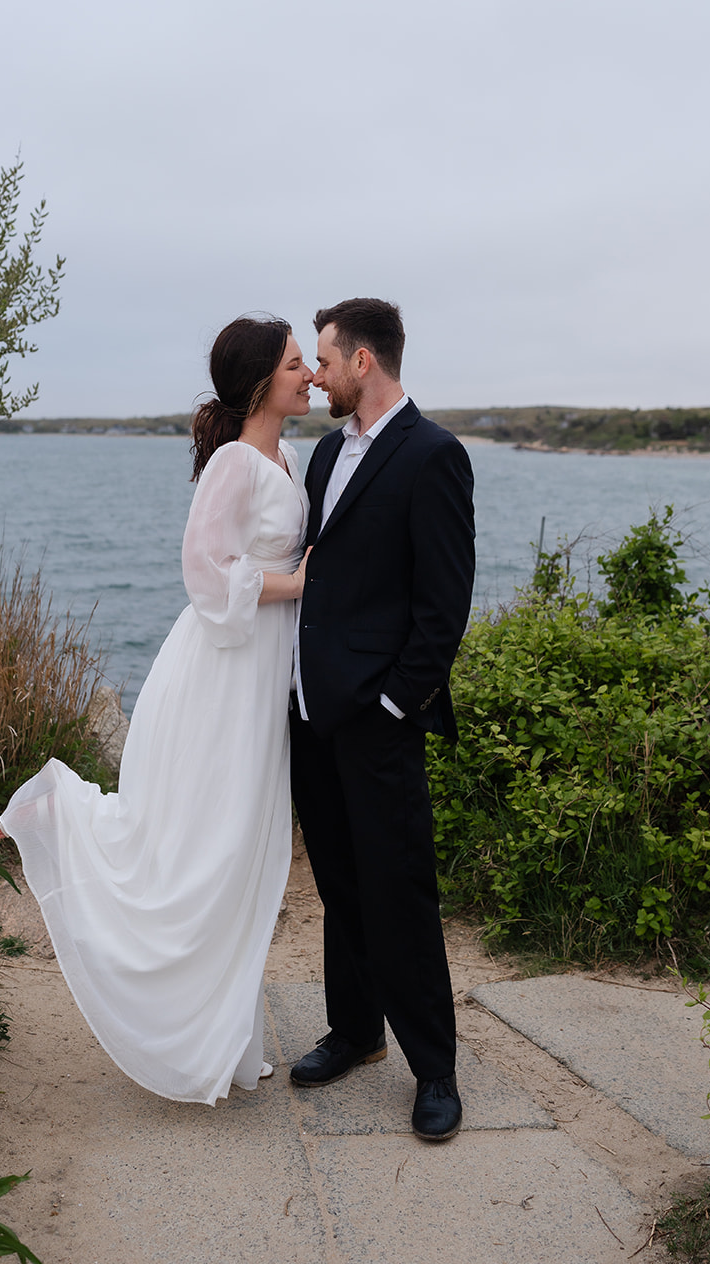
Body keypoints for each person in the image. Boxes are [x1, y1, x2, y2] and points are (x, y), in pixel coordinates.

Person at [0, 316, 312, 1105]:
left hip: (264, 669)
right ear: (261, 379)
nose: (310, 374)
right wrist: (300, 584)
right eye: (298, 363)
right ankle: (55, 809)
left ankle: (220, 1034)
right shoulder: (234, 461)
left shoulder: (290, 455)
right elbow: (204, 575)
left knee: (244, 852)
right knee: (203, 844)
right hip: (221, 671)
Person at [288, 297, 475, 1141]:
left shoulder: (433, 455)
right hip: (311, 711)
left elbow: (443, 606)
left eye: (324, 359)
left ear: (363, 361)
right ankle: (357, 1031)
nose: (316, 373)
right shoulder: (326, 451)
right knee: (339, 884)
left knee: (399, 890)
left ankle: (433, 1069)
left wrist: (397, 703)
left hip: (378, 718)